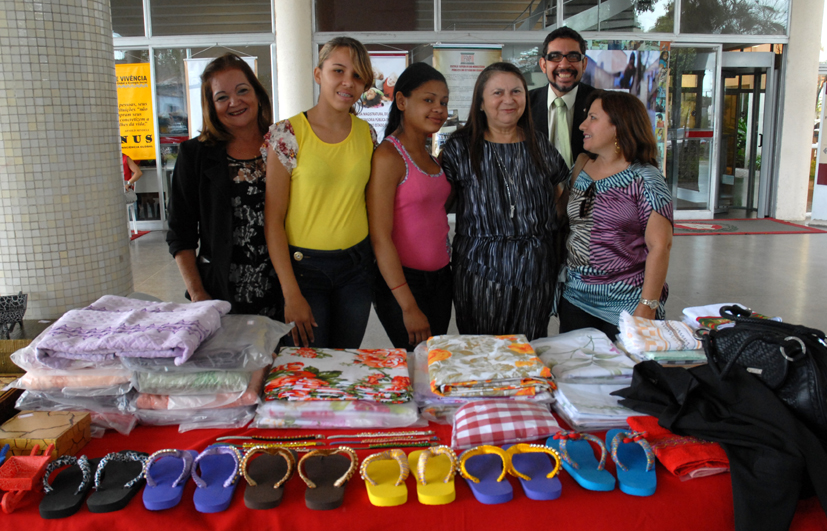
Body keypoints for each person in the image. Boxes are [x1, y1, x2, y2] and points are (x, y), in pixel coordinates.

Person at [440, 62, 567, 341]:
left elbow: (562, 194)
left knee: (529, 348)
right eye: (498, 92)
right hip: (479, 269)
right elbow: (438, 206)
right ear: (481, 103)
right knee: (482, 350)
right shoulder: (460, 148)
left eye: (516, 92)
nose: (508, 100)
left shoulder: (539, 144)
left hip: (535, 270)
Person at [265, 37, 376, 348]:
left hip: (356, 269)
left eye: (357, 75)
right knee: (310, 365)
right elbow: (273, 220)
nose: (348, 82)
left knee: (346, 360)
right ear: (318, 74)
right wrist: (290, 292)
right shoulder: (287, 133)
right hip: (304, 271)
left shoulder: (367, 134)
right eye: (338, 71)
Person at [166, 53, 281, 319]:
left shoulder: (282, 143)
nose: (234, 102)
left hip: (284, 290)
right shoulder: (194, 155)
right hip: (220, 293)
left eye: (242, 90)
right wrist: (198, 295)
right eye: (221, 97)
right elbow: (180, 233)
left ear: (257, 93)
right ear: (211, 105)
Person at [559, 90, 673, 338]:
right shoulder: (581, 167)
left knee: (624, 364)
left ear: (619, 126)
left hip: (627, 303)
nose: (583, 125)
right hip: (575, 297)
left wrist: (647, 307)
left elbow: (660, 246)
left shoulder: (645, 178)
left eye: (593, 118)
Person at [367, 63, 452, 349]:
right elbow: (380, 238)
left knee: (434, 362)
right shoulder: (389, 157)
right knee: (416, 365)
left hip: (441, 280)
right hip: (405, 283)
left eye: (443, 102)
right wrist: (408, 305)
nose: (439, 109)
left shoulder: (432, 157)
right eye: (428, 100)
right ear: (402, 101)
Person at [529, 27, 595, 168]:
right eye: (555, 57)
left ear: (584, 64)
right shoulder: (525, 105)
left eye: (573, 56)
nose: (564, 64)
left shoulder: (602, 103)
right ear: (543, 65)